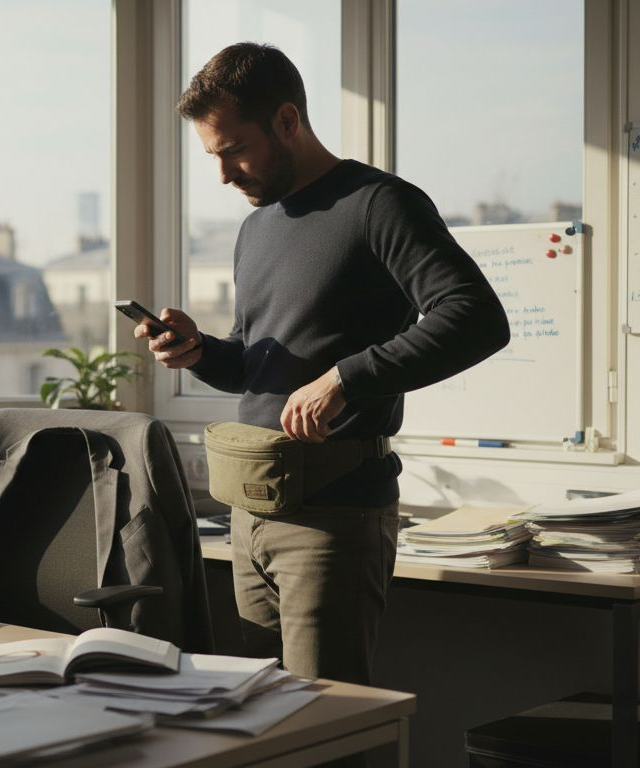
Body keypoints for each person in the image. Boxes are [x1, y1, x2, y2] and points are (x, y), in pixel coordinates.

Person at [136, 43, 510, 688]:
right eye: (213, 156)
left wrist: (345, 378)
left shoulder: (380, 204)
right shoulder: (257, 227)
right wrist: (201, 353)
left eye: (234, 149)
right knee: (261, 725)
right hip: (248, 514)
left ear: (287, 120)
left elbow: (476, 317)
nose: (224, 174)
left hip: (332, 519)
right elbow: (259, 368)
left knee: (327, 726)